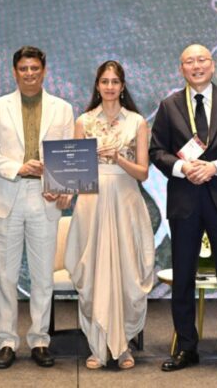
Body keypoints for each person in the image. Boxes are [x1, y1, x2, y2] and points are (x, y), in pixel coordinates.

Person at [149, 44, 217, 377]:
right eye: (189, 61)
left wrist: (215, 167)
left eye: (202, 60)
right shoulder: (169, 106)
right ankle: (186, 347)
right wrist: (183, 168)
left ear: (212, 66)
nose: (196, 66)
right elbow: (157, 151)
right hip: (184, 203)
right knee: (182, 277)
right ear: (181, 68)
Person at [0, 46, 74, 369]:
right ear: (14, 72)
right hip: (8, 194)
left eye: (35, 68)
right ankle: (7, 341)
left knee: (42, 276)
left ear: (44, 71)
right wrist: (18, 167)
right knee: (5, 276)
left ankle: (40, 340)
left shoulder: (62, 108)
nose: (29, 73)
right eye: (24, 68)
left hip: (46, 198)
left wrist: (65, 188)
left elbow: (68, 154)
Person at [64, 60, 155, 370]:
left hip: (125, 200)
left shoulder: (137, 122)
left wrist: (118, 158)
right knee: (93, 272)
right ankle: (97, 347)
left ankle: (123, 346)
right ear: (97, 85)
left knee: (126, 271)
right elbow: (76, 172)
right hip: (92, 202)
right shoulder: (84, 121)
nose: (110, 86)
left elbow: (142, 173)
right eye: (105, 81)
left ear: (123, 86)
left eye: (115, 81)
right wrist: (62, 189)